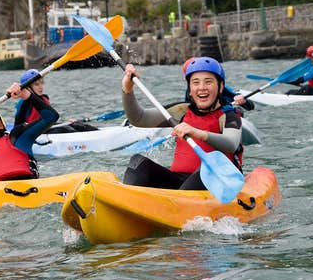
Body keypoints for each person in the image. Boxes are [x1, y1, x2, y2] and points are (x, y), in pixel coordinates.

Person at [121, 56, 243, 190]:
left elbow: (231, 144)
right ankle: (126, 200)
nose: (202, 87)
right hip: (179, 181)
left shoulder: (230, 116)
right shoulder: (182, 111)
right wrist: (127, 90)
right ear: (190, 89)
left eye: (208, 82)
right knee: (138, 162)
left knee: (206, 168)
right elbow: (139, 118)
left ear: (220, 87)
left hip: (212, 181)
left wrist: (196, 132)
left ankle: (176, 205)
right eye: (195, 82)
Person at [14, 69, 98, 134]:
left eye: (41, 83)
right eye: (36, 84)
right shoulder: (23, 102)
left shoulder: (44, 98)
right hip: (33, 132)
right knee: (66, 129)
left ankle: (98, 133)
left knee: (77, 124)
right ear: (28, 88)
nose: (41, 87)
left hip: (47, 127)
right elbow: (17, 126)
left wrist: (66, 122)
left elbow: (50, 119)